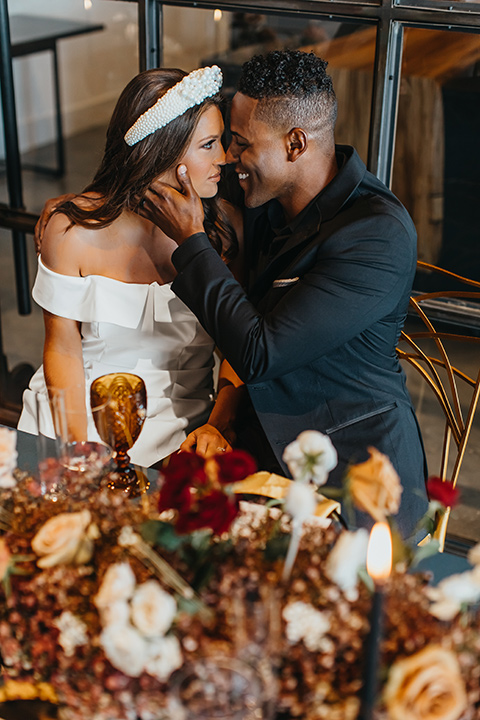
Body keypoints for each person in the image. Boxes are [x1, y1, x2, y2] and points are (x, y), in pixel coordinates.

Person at [138, 49, 429, 536]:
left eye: (240, 144)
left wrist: (191, 242)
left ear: (296, 143)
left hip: (354, 470)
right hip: (257, 450)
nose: (230, 158)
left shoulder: (377, 234)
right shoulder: (265, 197)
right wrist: (80, 210)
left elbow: (258, 350)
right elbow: (166, 166)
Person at [19, 65, 245, 466]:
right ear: (163, 150)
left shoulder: (225, 231)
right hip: (80, 417)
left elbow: (240, 345)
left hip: (184, 429)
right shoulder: (71, 231)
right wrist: (77, 452)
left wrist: (217, 424)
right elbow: (62, 347)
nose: (224, 159)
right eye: (209, 144)